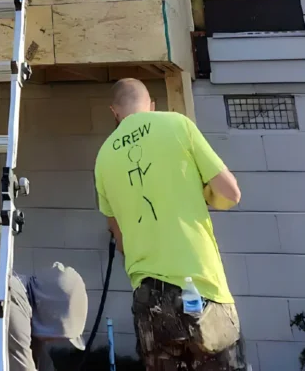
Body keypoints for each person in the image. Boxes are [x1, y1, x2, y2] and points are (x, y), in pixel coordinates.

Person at [93, 78, 246, 370]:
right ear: (151, 106)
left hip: (149, 300)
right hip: (202, 290)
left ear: (114, 112)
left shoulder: (102, 159)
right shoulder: (177, 125)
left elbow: (121, 240)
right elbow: (231, 193)